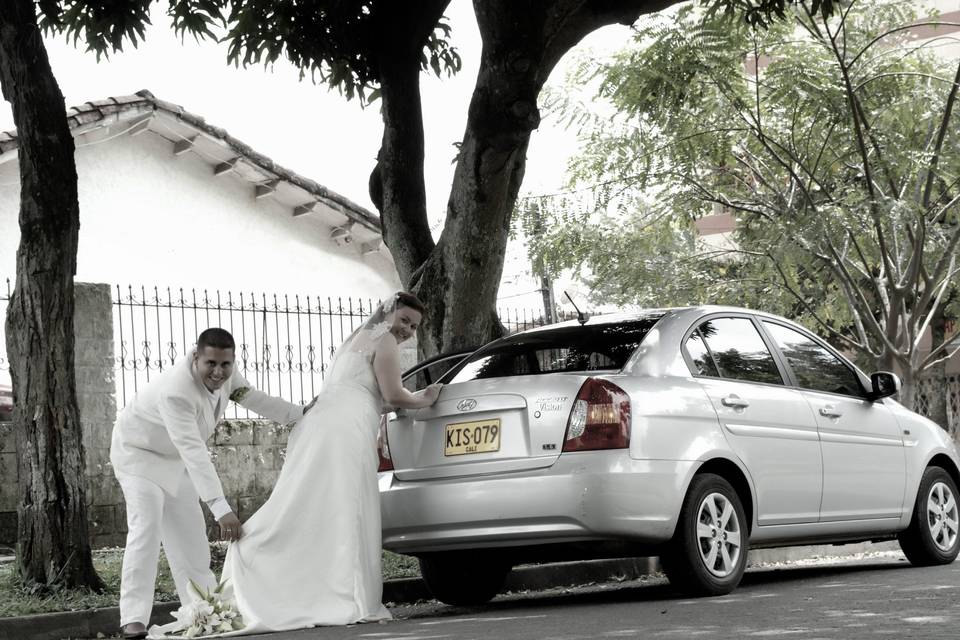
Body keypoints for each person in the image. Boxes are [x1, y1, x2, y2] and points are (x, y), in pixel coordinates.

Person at [149, 292, 442, 638]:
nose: (407, 329)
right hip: (344, 432)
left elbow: (365, 395)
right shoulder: (386, 341)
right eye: (404, 320)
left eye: (414, 326)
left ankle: (268, 564)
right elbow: (393, 395)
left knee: (306, 505)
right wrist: (427, 398)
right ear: (388, 312)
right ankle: (342, 594)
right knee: (340, 507)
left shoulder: (356, 338)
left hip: (320, 424)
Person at [111, 328, 304, 640]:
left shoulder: (228, 375)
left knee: (191, 538)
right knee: (145, 527)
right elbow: (194, 451)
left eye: (225, 365)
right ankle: (133, 619)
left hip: (176, 461)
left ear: (232, 361)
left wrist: (299, 415)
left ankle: (204, 610)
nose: (218, 372)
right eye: (210, 364)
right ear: (195, 357)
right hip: (139, 456)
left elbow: (254, 398)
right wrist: (221, 508)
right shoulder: (175, 391)